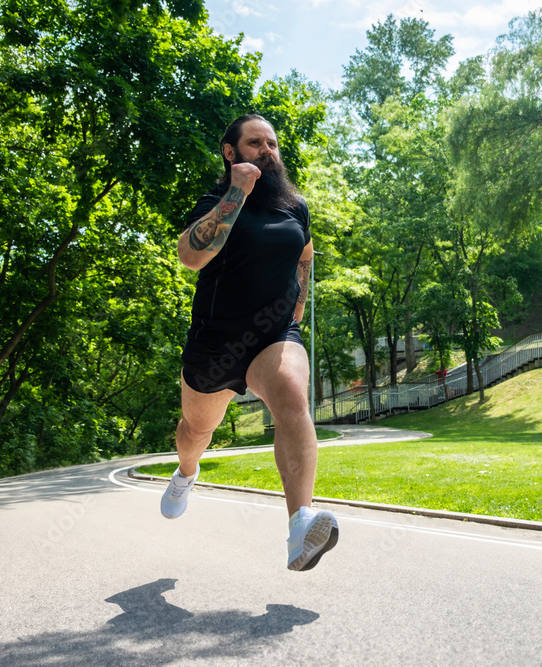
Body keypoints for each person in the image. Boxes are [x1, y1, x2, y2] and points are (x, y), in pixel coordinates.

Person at [159, 114, 338, 572]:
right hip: (216, 344)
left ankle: (300, 527)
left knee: (292, 397)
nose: (267, 150)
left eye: (272, 144)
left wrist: (299, 302)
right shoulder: (215, 201)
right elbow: (190, 256)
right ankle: (186, 473)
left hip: (273, 336)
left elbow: (304, 253)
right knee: (195, 432)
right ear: (230, 152)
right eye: (255, 143)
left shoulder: (294, 206)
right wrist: (237, 191)